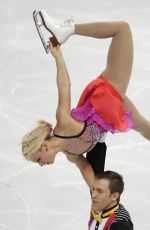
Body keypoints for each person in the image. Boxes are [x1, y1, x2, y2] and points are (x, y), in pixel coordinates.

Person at [21, 10, 150, 166]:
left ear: (43, 146)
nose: (41, 164)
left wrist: (59, 58)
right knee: (144, 128)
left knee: (122, 29)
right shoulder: (70, 154)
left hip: (106, 98)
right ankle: (68, 30)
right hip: (108, 111)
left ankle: (68, 30)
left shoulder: (63, 123)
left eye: (39, 160)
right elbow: (87, 171)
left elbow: (64, 86)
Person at [66, 153, 134, 230]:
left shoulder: (120, 225)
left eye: (100, 191)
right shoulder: (101, 207)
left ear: (114, 196)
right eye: (93, 189)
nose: (93, 195)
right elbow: (85, 168)